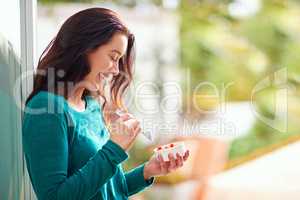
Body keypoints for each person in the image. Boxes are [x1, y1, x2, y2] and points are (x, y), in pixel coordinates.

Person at [22, 7, 189, 200]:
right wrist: (115, 148)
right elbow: (56, 196)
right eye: (113, 57)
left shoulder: (90, 105)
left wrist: (147, 171)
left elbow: (108, 191)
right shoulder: (46, 108)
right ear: (85, 47)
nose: (117, 70)